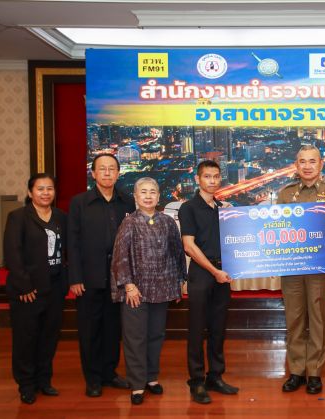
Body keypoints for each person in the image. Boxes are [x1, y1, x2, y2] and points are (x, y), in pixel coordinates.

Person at [276, 145, 325, 395]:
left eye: (312, 161)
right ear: (296, 165)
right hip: (292, 267)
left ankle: (314, 371)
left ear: (321, 165)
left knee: (318, 319)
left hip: (319, 267)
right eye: (302, 161)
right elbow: (276, 229)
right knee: (294, 319)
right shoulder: (285, 193)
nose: (307, 166)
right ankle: (296, 371)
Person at [111, 177, 187, 405]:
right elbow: (120, 256)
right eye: (143, 192)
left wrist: (179, 282)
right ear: (135, 196)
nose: (148, 196)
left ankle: (151, 377)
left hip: (162, 288)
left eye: (152, 191)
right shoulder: (129, 222)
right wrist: (128, 285)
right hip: (135, 291)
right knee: (135, 338)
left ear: (158, 196)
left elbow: (177, 254)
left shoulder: (167, 222)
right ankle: (137, 384)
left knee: (156, 335)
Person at [68, 153, 135, 397]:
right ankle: (93, 378)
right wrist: (75, 277)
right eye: (102, 169)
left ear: (118, 173)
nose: (107, 173)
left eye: (112, 169)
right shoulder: (80, 202)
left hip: (118, 278)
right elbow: (72, 242)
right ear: (93, 173)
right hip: (89, 277)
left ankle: (109, 372)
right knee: (90, 329)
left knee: (112, 328)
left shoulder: (127, 202)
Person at [3, 173, 67, 404]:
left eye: (50, 188)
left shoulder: (60, 217)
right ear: (30, 192)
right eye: (40, 189)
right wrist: (24, 286)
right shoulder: (18, 217)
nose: (45, 193)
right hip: (28, 290)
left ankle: (43, 380)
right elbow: (12, 254)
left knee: (49, 337)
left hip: (55, 288)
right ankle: (26, 384)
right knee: (26, 339)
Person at [179, 160, 239, 404]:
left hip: (222, 273)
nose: (212, 180)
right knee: (197, 329)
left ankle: (215, 376)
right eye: (207, 176)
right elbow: (189, 246)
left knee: (218, 327)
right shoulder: (188, 208)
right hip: (203, 273)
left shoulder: (222, 208)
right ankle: (196, 381)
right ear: (198, 179)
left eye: (216, 176)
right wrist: (214, 271)